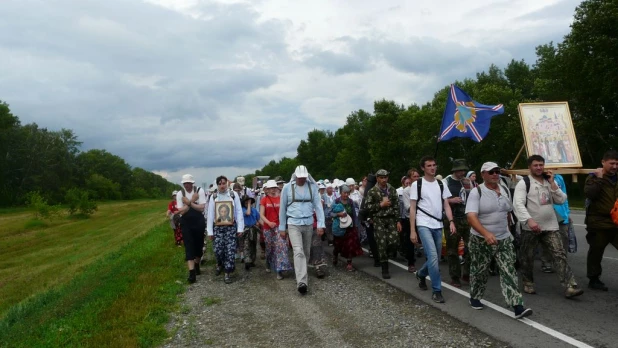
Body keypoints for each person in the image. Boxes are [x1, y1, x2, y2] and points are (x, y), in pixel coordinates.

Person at [466, 162, 532, 319]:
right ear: (483, 174)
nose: (495, 174)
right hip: (480, 239)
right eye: (491, 172)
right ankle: (475, 297)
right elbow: (471, 216)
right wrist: (486, 233)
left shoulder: (504, 190)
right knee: (479, 271)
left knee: (509, 271)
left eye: (496, 171)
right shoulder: (477, 192)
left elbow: (508, 212)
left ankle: (517, 306)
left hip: (503, 239)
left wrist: (511, 230)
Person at [513, 155, 583, 298]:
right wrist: (529, 220)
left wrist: (552, 183)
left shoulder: (548, 181)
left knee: (559, 254)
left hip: (550, 226)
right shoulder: (524, 183)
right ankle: (528, 282)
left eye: (541, 165)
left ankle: (570, 286)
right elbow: (518, 204)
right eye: (535, 165)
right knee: (527, 257)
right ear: (529, 167)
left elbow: (561, 199)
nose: (539, 168)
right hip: (530, 228)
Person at [410, 156, 455, 303]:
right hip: (423, 223)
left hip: (438, 224)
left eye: (434, 165)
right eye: (429, 165)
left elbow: (446, 205)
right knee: (434, 257)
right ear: (423, 168)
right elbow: (412, 208)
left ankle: (421, 274)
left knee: (435, 257)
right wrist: (412, 230)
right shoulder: (417, 184)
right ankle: (437, 290)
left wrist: (451, 221)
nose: (432, 168)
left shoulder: (441, 184)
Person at [279, 165, 325, 295]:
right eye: (300, 178)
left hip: (308, 223)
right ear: (295, 176)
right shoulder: (287, 188)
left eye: (304, 177)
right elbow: (282, 209)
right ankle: (302, 282)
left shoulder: (312, 187)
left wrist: (321, 224)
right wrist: (282, 227)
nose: (302, 180)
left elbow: (318, 207)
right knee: (298, 251)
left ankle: (302, 273)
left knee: (306, 251)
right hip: (293, 223)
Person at [584, 150, 618, 291]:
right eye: (612, 163)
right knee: (596, 251)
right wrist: (599, 178)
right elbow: (590, 193)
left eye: (617, 164)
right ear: (603, 162)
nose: (615, 166)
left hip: (616, 222)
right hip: (598, 223)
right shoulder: (593, 178)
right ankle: (594, 279)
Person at [363, 169, 401, 279]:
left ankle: (386, 255)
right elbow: (368, 207)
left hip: (390, 219)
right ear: (377, 178)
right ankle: (385, 267)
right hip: (378, 219)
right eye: (381, 177)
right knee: (382, 243)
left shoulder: (392, 190)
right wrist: (380, 204)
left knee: (394, 241)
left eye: (385, 177)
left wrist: (398, 220)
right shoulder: (372, 191)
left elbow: (396, 206)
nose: (384, 179)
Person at [207, 175, 244, 284]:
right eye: (220, 184)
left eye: (224, 183)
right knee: (218, 250)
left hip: (230, 227)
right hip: (217, 228)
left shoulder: (233, 195)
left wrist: (240, 228)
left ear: (227, 184)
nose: (222, 185)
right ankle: (219, 264)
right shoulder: (213, 197)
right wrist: (210, 231)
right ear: (217, 185)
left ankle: (227, 272)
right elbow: (210, 214)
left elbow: (238, 211)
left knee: (230, 250)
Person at [444, 159, 472, 288]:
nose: (462, 172)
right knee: (452, 250)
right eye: (460, 170)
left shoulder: (467, 182)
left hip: (466, 218)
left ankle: (467, 273)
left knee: (471, 247)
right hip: (452, 219)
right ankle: (455, 277)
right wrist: (451, 200)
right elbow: (439, 200)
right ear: (454, 170)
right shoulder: (446, 182)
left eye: (464, 170)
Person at [176, 174, 207, 283]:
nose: (187, 185)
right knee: (188, 245)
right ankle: (191, 273)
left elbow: (202, 208)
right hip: (186, 222)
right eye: (185, 183)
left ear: (192, 183)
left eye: (188, 183)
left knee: (199, 244)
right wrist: (192, 203)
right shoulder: (180, 193)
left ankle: (197, 263)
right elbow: (181, 211)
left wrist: (189, 203)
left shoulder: (199, 190)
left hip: (198, 221)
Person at [260, 179, 293, 280]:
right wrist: (268, 223)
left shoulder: (281, 199)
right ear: (267, 190)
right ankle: (268, 262)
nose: (272, 190)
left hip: (279, 227)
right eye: (270, 188)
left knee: (281, 247)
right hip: (268, 228)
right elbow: (261, 214)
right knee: (270, 248)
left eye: (274, 188)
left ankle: (279, 270)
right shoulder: (264, 200)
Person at [540, 173, 572, 273]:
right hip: (547, 213)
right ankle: (546, 262)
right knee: (547, 239)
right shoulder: (539, 177)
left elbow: (564, 195)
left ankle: (562, 262)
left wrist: (567, 212)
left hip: (561, 214)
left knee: (564, 239)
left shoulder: (559, 177)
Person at [331, 184, 364, 271]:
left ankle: (349, 263)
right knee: (338, 245)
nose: (346, 195)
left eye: (347, 193)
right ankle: (335, 255)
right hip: (339, 227)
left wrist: (356, 226)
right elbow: (329, 213)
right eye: (344, 193)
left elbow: (354, 214)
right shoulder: (336, 201)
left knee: (350, 244)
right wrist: (338, 214)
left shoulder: (351, 202)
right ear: (340, 193)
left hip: (350, 226)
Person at [401, 169, 421, 272]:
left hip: (423, 218)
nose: (417, 179)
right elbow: (408, 206)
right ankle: (411, 263)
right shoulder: (406, 191)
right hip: (411, 218)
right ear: (410, 178)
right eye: (414, 177)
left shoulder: (422, 187)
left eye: (418, 176)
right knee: (410, 242)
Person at [241, 196, 260, 271]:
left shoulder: (254, 210)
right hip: (246, 229)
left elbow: (258, 219)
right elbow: (248, 213)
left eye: (249, 202)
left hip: (253, 229)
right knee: (246, 245)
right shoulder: (243, 210)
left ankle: (252, 260)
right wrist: (248, 205)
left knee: (253, 245)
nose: (248, 204)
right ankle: (247, 262)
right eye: (246, 203)